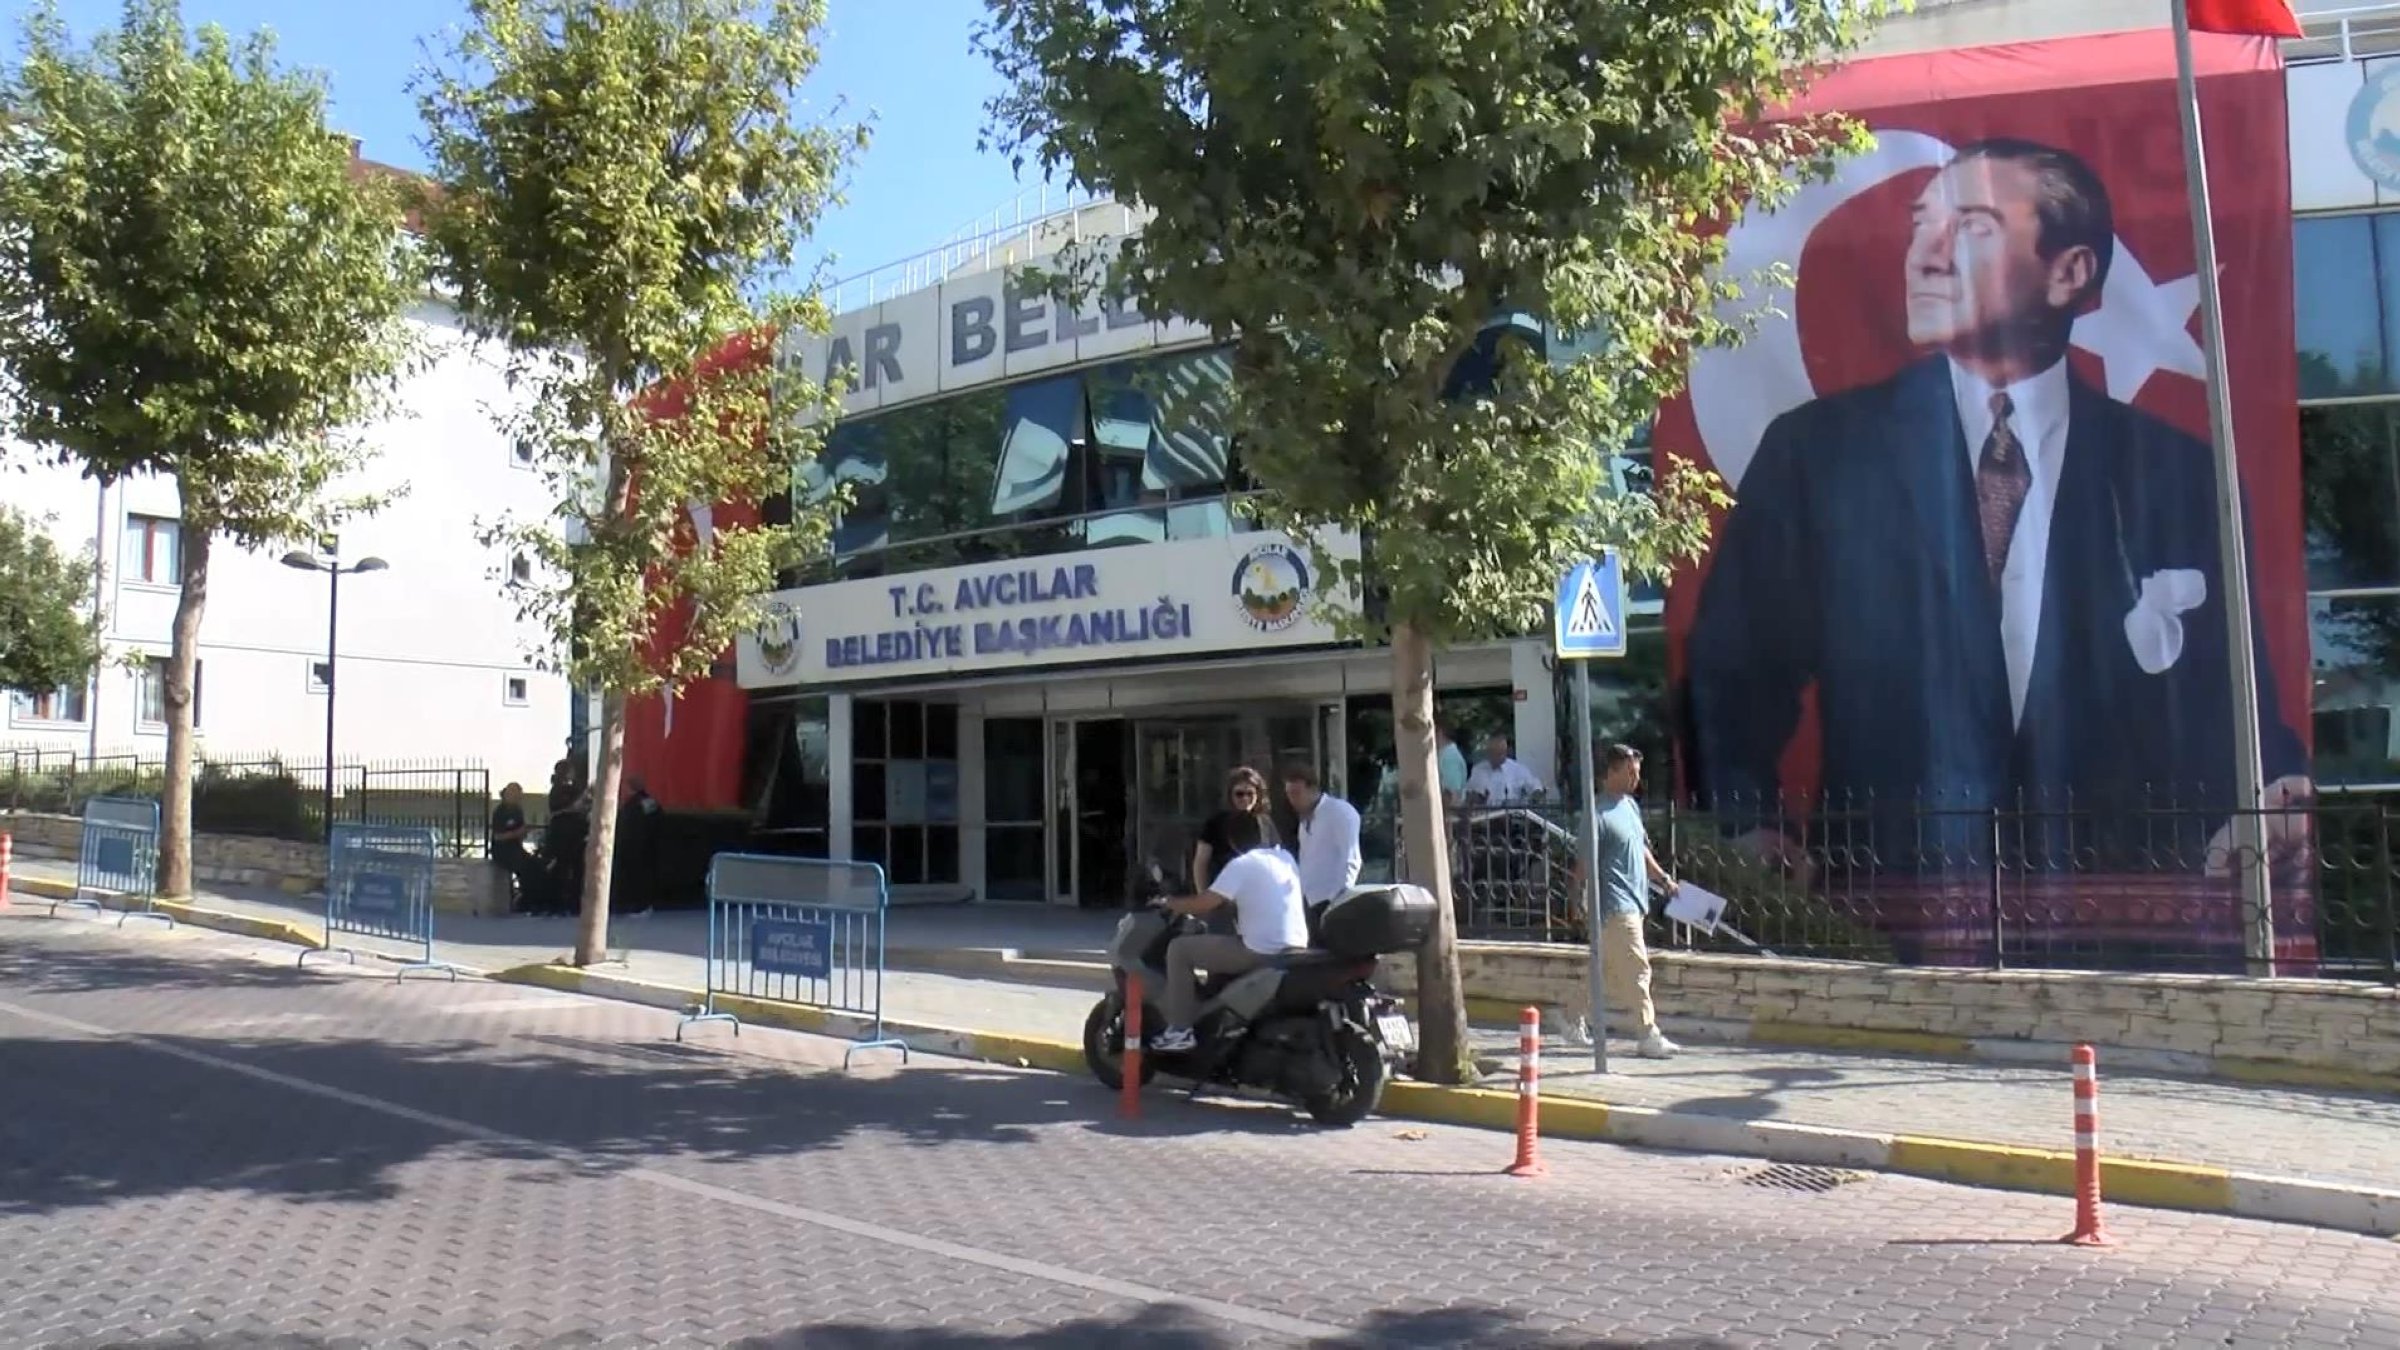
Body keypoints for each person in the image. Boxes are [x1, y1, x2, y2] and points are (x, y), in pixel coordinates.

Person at [1685, 137, 2308, 876]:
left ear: (2069, 271)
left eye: (1972, 227)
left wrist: (2274, 792)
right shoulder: (1819, 456)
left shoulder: (2174, 473)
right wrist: (1746, 823)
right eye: (1921, 225)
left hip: (2117, 917)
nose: (1926, 254)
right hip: (1894, 912)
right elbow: (1734, 669)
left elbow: (2232, 697)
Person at [1148, 810, 1309, 1053]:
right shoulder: (1285, 858)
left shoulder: (1241, 864)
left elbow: (1205, 903)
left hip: (1259, 952)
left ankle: (1180, 1030)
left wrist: (1170, 903)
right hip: (1295, 947)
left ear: (1232, 841)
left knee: (1179, 949)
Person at [1567, 744, 1679, 1059]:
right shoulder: (1596, 813)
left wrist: (1664, 880)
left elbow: (1641, 850)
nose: (1635, 779)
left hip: (1635, 898)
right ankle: (1648, 1034)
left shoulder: (1629, 806)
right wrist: (1576, 901)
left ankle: (1570, 1017)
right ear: (1611, 772)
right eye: (1630, 772)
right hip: (1613, 904)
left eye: (1638, 773)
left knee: (1605, 969)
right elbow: (1583, 864)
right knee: (1637, 968)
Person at [1282, 759, 1361, 905]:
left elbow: (1350, 860)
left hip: (1332, 901)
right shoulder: (1304, 821)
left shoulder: (1339, 812)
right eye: (1289, 794)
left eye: (1297, 793)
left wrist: (1338, 900)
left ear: (1312, 789)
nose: (1292, 800)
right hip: (1309, 901)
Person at [1191, 766, 1277, 892]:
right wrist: (1203, 896)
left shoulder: (1265, 823)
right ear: (1230, 795)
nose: (1245, 799)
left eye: (1250, 794)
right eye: (1239, 794)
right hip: (1223, 894)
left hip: (1257, 893)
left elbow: (1277, 858)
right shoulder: (1215, 823)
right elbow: (1201, 863)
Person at [488, 782, 546, 915]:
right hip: (502, 850)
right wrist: (516, 833)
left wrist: (523, 833)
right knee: (524, 867)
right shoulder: (500, 812)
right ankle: (524, 902)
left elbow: (520, 832)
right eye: (515, 794)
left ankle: (536, 901)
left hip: (515, 848)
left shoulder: (518, 811)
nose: (518, 797)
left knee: (535, 865)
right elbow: (498, 836)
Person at [1465, 734, 1544, 807]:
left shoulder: (1517, 769)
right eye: (1493, 753)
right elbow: (1469, 793)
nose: (1497, 757)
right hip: (1486, 817)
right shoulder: (1478, 770)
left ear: (1505, 752)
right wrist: (1476, 797)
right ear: (1488, 752)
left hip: (1511, 817)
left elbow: (1534, 786)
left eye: (1500, 753)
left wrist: (1536, 794)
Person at [1434, 715, 1471, 811]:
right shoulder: (1444, 755)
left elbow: (1453, 794)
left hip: (1450, 817)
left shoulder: (1449, 757)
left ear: (1440, 733)